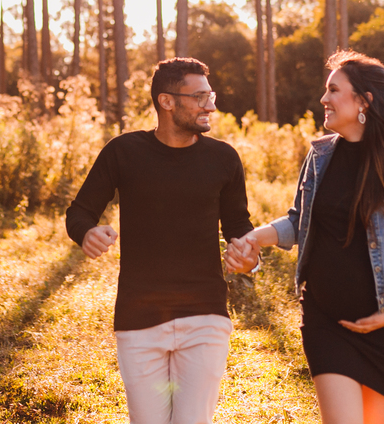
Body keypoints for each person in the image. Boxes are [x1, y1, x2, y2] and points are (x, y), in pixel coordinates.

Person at [227, 50, 384, 424]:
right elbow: (301, 221)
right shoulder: (321, 156)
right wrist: (254, 238)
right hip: (325, 320)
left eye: (333, 90)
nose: (324, 99)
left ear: (364, 101)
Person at [65, 57, 255, 424]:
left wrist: (250, 256)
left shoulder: (223, 158)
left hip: (205, 317)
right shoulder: (123, 152)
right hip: (139, 320)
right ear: (166, 101)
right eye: (199, 97)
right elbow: (80, 211)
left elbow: (238, 225)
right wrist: (86, 232)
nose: (211, 106)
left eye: (210, 95)